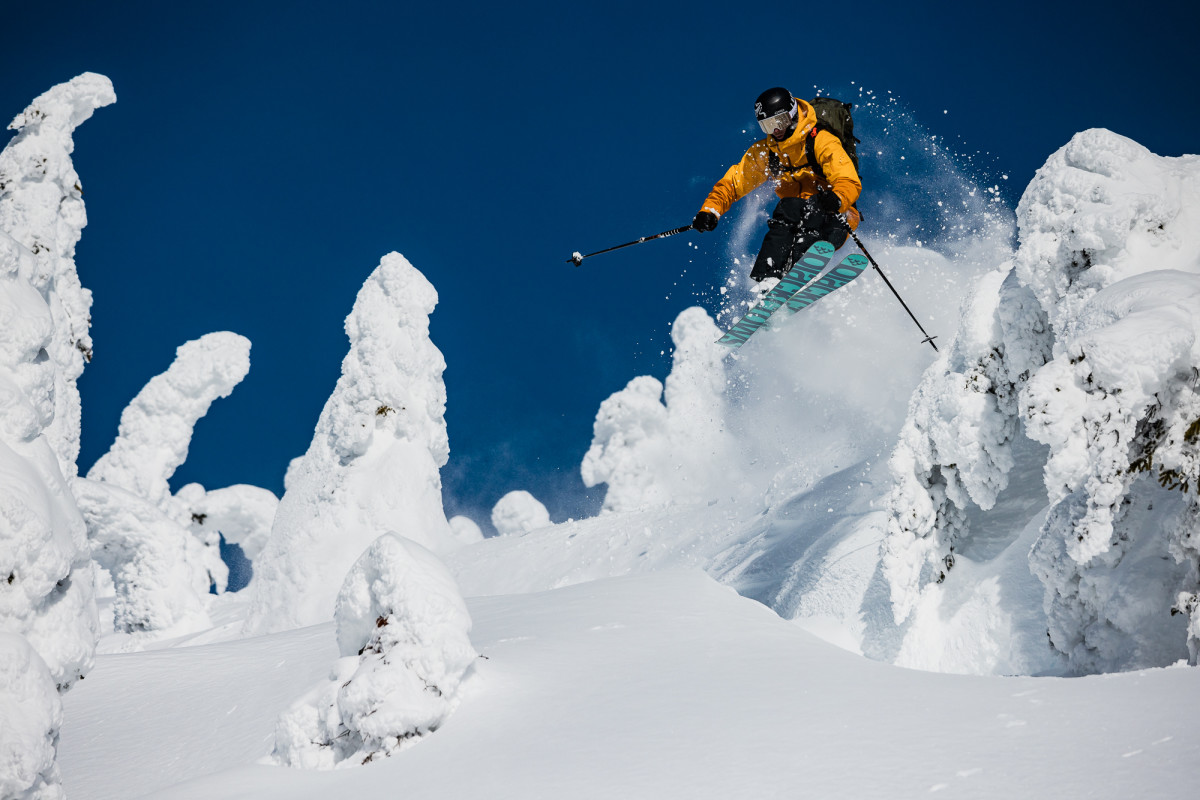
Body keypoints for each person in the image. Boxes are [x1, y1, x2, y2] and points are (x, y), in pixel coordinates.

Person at [692, 87, 862, 282]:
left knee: (811, 208)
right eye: (767, 126)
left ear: (791, 114)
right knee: (787, 208)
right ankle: (768, 280)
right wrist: (710, 210)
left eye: (779, 121)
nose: (776, 130)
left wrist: (837, 198)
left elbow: (847, 179)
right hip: (796, 217)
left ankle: (800, 272)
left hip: (835, 217)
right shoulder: (768, 152)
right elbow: (733, 183)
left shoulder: (820, 140)